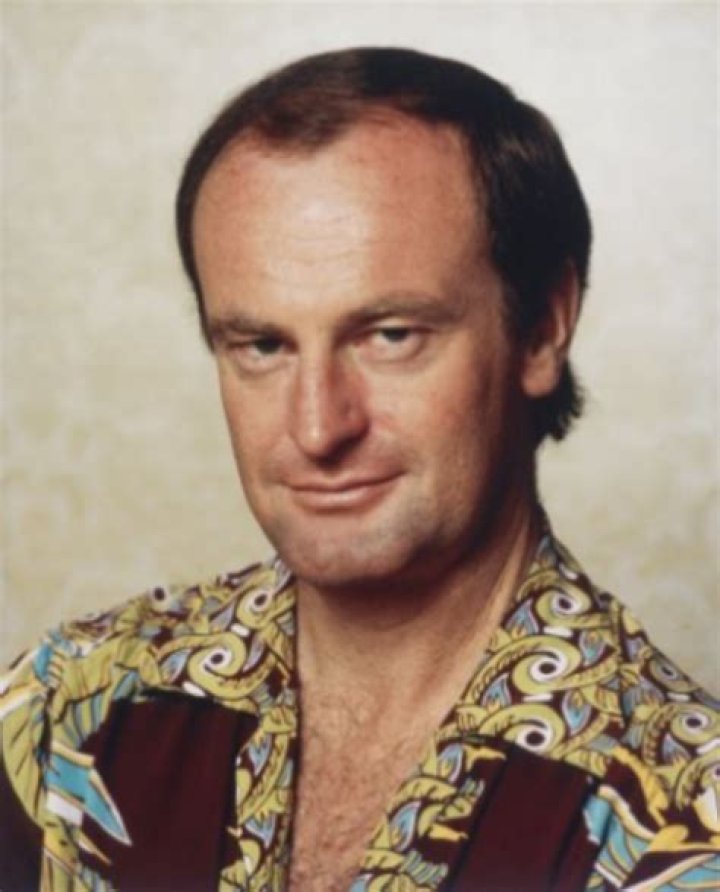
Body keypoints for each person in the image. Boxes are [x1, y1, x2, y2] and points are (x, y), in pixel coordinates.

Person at [1, 46, 717, 892]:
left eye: (390, 336)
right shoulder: (68, 713)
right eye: (262, 345)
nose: (317, 427)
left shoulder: (683, 826)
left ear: (542, 328)